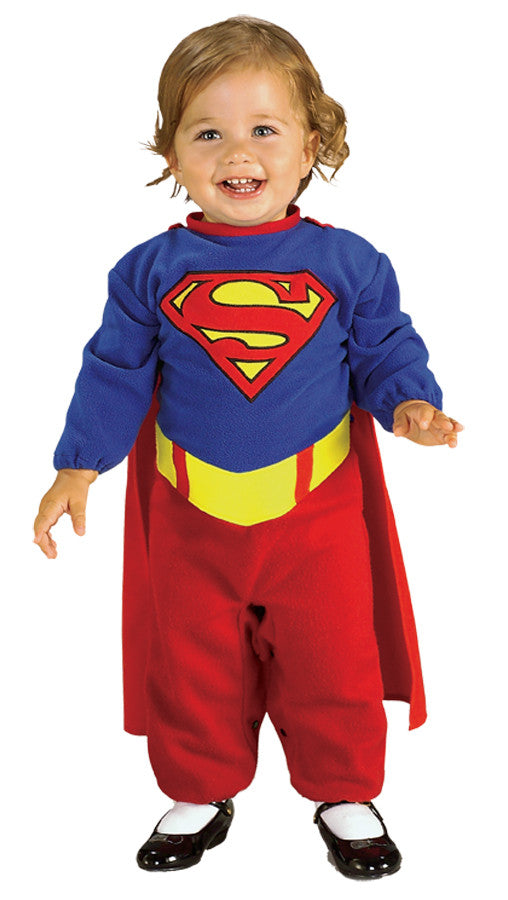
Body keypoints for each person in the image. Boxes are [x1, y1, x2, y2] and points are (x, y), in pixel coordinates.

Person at [33, 15, 463, 880]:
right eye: (209, 133)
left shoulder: (350, 263)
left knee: (333, 657)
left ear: (312, 146)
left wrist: (411, 403)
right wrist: (77, 465)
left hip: (317, 517)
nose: (239, 151)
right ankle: (200, 789)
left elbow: (385, 350)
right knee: (191, 661)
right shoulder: (149, 272)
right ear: (173, 155)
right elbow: (114, 371)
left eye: (265, 129)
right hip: (191, 516)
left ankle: (343, 791)